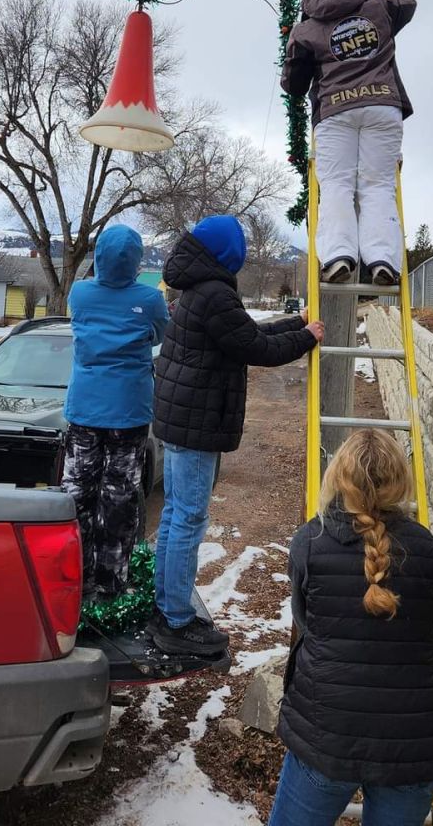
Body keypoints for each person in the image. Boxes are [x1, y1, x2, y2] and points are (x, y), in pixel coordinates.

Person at [271, 430, 433, 826]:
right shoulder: (426, 546)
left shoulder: (310, 541)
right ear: (399, 481)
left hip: (329, 732)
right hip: (416, 741)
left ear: (338, 478)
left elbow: (306, 621)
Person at [151, 215, 325, 656]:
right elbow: (256, 348)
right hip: (195, 424)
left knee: (174, 515)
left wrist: (296, 324)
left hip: (180, 419)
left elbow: (245, 333)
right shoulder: (213, 294)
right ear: (228, 254)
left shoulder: (199, 289)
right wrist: (306, 337)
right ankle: (175, 620)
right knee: (188, 517)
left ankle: (166, 604)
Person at [281, 0, 417, 286]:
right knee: (378, 185)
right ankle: (382, 259)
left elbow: (294, 85)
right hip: (382, 105)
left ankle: (338, 255)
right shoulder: (379, 6)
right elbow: (408, 3)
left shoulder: (308, 28)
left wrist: (306, 31)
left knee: (337, 185)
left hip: (336, 112)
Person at [63, 225, 169, 600]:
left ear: (99, 256)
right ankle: (112, 581)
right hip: (128, 410)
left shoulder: (80, 293)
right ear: (136, 260)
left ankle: (75, 574)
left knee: (78, 491)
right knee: (120, 493)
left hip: (85, 409)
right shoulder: (150, 299)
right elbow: (158, 335)